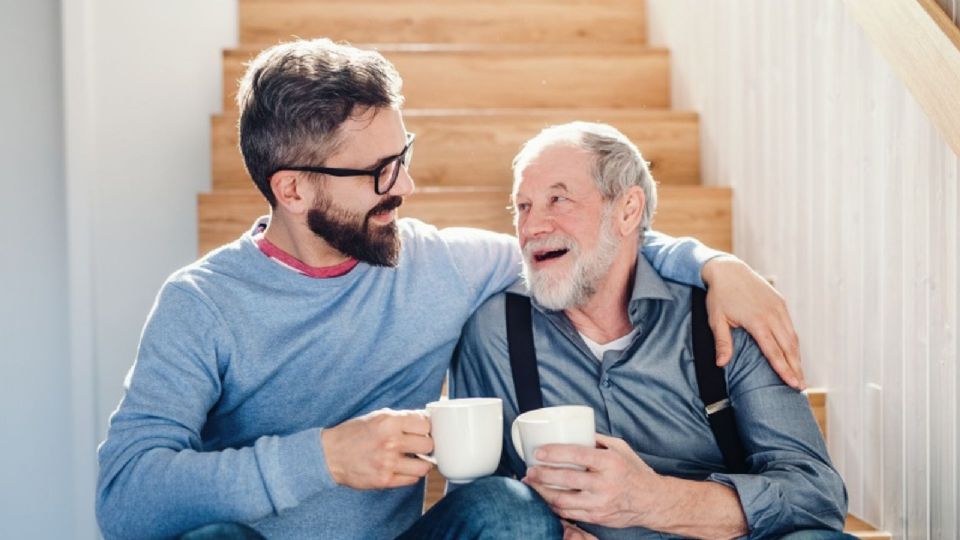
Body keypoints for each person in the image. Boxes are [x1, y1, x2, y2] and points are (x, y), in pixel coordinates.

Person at [96, 39, 805, 540]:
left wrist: (712, 263)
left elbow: (585, 245)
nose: (405, 186)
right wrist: (323, 458)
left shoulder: (437, 264)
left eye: (402, 157)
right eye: (378, 173)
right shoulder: (203, 302)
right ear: (293, 189)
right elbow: (125, 497)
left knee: (506, 507)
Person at [451, 122, 848, 539]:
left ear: (627, 210)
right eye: (523, 206)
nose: (532, 227)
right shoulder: (495, 330)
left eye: (558, 199)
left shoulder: (723, 316)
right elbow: (479, 502)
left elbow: (817, 496)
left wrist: (654, 500)